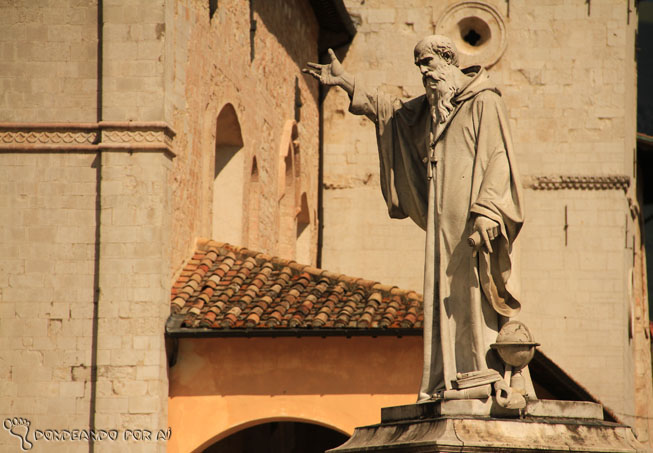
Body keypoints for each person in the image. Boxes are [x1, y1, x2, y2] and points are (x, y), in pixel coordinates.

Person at [304, 35, 526, 402]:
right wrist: (345, 81)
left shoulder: (484, 100)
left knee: (473, 293)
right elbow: (390, 111)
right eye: (419, 65)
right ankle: (447, 379)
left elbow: (500, 156)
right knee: (444, 296)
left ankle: (481, 375)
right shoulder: (432, 109)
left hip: (473, 220)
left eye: (427, 62)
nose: (423, 72)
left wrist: (488, 211)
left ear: (448, 60)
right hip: (443, 224)